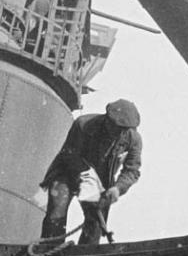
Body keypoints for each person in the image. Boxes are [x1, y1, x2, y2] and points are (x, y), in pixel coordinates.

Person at [40, 99, 142, 245]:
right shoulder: (83, 124)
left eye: (123, 130)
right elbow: (70, 155)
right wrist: (88, 179)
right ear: (107, 119)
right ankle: (49, 252)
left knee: (95, 225)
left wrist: (117, 189)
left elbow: (132, 170)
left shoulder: (134, 140)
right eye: (115, 127)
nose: (118, 133)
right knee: (56, 215)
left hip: (99, 185)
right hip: (66, 175)